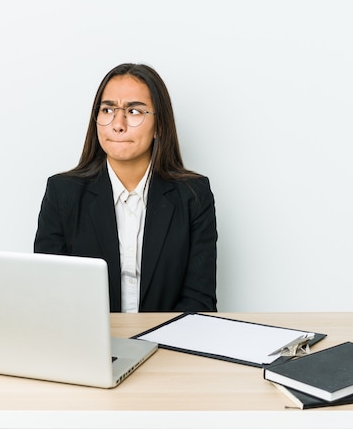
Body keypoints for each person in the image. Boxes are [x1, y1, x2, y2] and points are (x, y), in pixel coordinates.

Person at [34, 63, 217, 312]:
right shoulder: (62, 193)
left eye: (134, 111)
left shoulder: (194, 195)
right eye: (108, 109)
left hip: (169, 342)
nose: (118, 124)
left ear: (160, 126)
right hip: (88, 344)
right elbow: (48, 295)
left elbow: (199, 301)